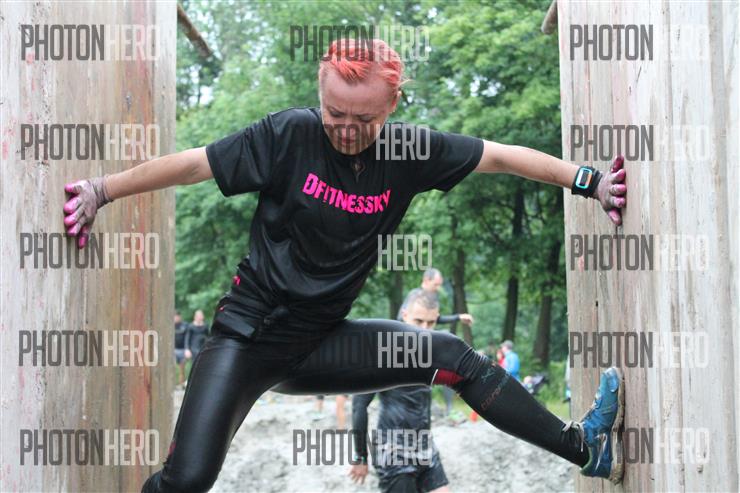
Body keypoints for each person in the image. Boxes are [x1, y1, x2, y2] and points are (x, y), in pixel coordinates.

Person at [62, 38, 627, 492]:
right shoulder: (289, 135)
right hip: (246, 339)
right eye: (335, 113)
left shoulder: (409, 153)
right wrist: (101, 190)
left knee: (456, 358)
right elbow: (194, 165)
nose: (347, 130)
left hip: (322, 344)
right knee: (187, 481)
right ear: (320, 95)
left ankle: (585, 449)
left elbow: (500, 156)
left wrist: (590, 182)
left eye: (365, 119)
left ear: (392, 107)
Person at [350, 290, 450, 493]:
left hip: (424, 446)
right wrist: (360, 456)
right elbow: (359, 405)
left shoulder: (433, 351)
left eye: (431, 323)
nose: (424, 329)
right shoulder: (382, 354)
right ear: (404, 315)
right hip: (393, 451)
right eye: (418, 321)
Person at [396, 269, 473, 326]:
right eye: (435, 285)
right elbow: (400, 319)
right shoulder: (415, 295)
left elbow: (436, 319)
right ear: (426, 280)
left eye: (440, 285)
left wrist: (458, 317)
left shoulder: (432, 297)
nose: (438, 288)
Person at [173, 312, 192, 389]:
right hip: (174, 349)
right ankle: (173, 385)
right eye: (174, 317)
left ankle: (181, 385)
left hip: (183, 350)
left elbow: (187, 338)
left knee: (182, 368)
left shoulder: (185, 325)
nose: (176, 318)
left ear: (180, 317)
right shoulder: (170, 325)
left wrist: (187, 349)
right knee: (173, 367)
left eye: (177, 316)